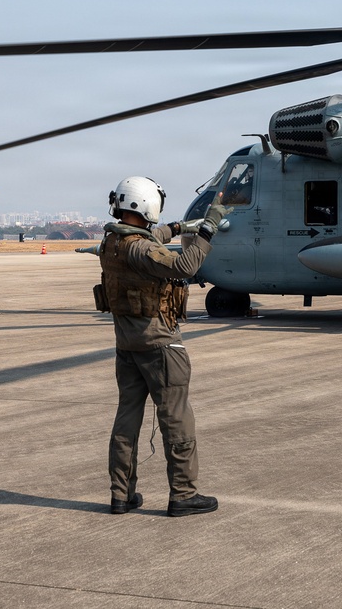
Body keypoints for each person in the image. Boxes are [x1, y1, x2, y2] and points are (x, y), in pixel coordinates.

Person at [97, 175, 227, 517]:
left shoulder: (111, 243)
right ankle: (183, 493)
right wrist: (207, 229)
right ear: (148, 205)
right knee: (176, 418)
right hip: (159, 345)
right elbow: (185, 265)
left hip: (127, 345)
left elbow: (147, 238)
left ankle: (121, 494)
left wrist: (178, 226)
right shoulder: (141, 250)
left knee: (127, 419)